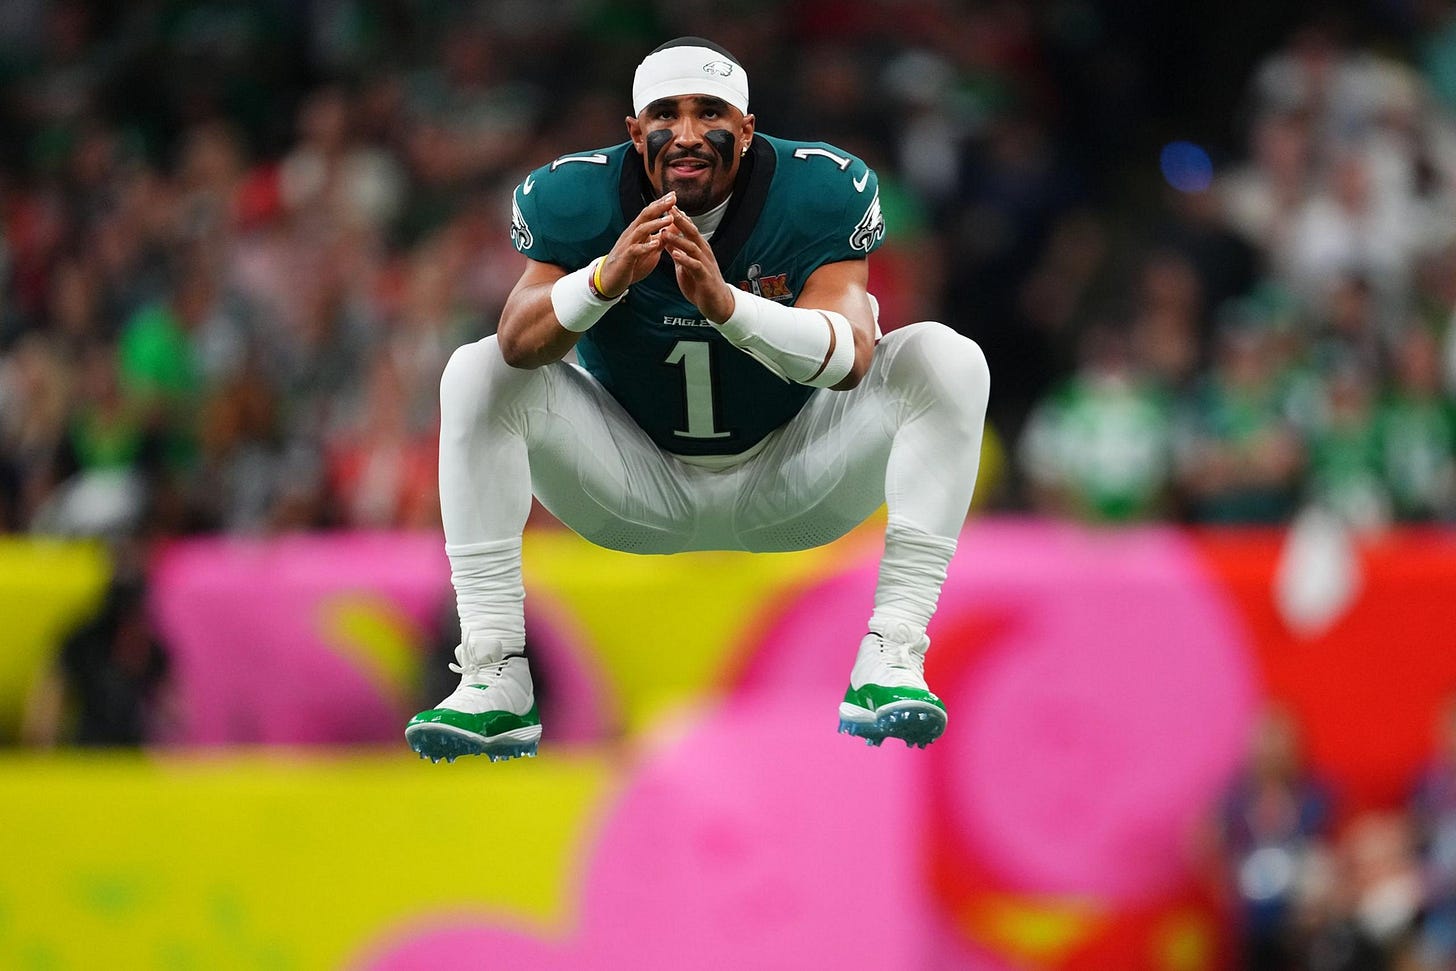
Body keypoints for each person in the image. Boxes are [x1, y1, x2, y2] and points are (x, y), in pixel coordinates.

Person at [405, 37, 990, 763]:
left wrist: (728, 307)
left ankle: (893, 652)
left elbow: (850, 358)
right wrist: (602, 281)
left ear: (746, 129)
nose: (686, 134)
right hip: (634, 482)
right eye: (666, 115)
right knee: (474, 369)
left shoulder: (817, 190)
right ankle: (494, 669)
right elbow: (517, 342)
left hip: (794, 476)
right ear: (634, 133)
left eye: (709, 112)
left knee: (948, 357)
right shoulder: (577, 199)